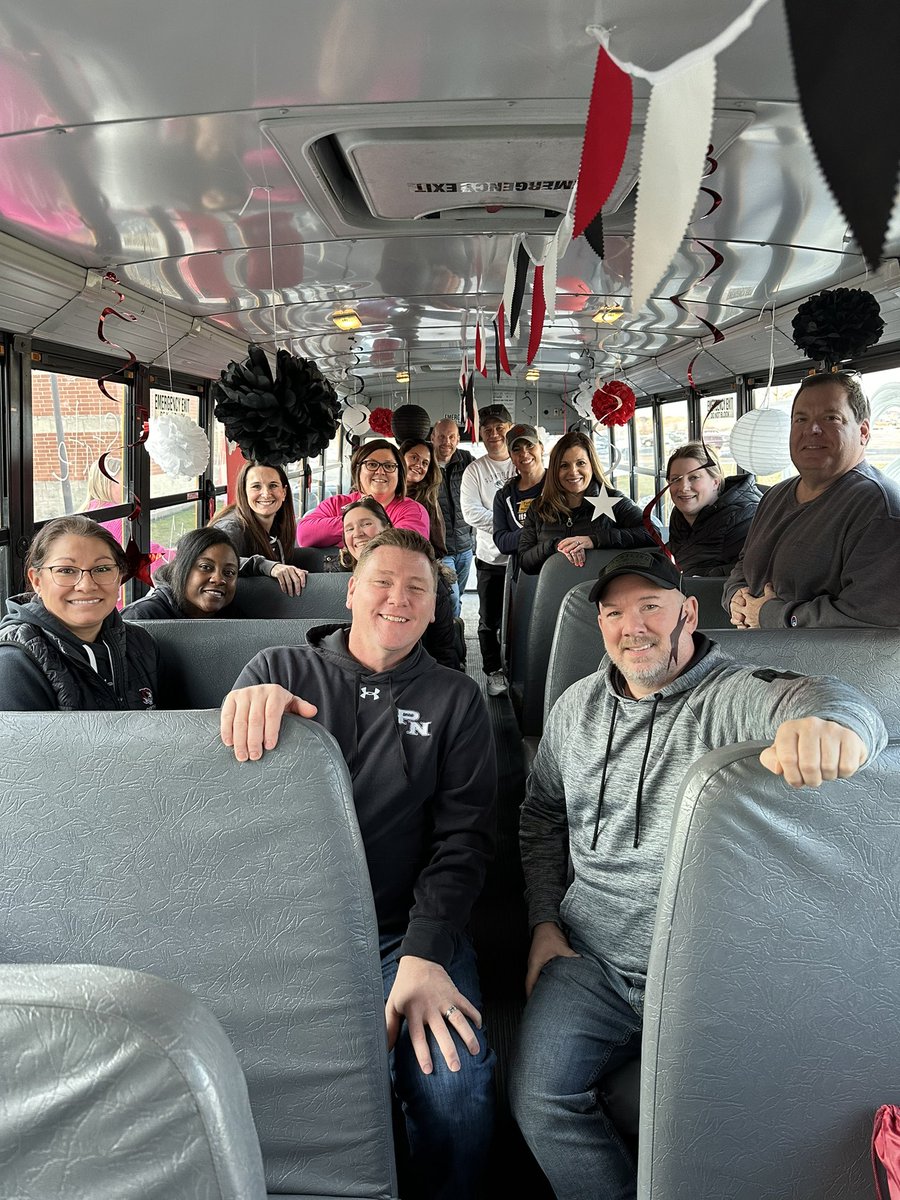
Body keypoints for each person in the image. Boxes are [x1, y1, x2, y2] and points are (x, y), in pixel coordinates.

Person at [509, 548, 887, 1200]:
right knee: (537, 1096)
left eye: (650, 607)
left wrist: (833, 724)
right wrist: (544, 922)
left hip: (705, 972)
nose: (633, 626)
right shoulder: (575, 708)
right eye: (614, 613)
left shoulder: (730, 696)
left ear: (687, 611)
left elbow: (818, 698)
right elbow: (542, 816)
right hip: (589, 958)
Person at [220, 527, 497, 1200]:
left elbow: (463, 840)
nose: (396, 599)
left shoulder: (456, 699)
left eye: (417, 588)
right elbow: (224, 819)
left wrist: (424, 955)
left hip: (406, 928)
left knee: (455, 1087)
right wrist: (239, 709)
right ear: (350, 591)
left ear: (437, 608)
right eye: (381, 582)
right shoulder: (275, 673)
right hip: (283, 935)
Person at [724, 372, 900, 628]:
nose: (812, 429)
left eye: (831, 418)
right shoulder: (774, 495)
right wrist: (736, 598)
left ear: (863, 432)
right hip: (753, 656)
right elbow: (743, 565)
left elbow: (872, 617)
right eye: (801, 419)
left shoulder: (879, 508)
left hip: (817, 667)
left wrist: (772, 616)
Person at [0, 514, 159, 710]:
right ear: (37, 581)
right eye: (66, 570)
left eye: (101, 569)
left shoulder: (140, 643)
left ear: (119, 576)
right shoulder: (13, 664)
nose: (86, 585)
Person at [326, 498, 464, 671]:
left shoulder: (428, 578)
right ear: (352, 590)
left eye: (366, 524)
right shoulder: (332, 575)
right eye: (349, 529)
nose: (358, 533)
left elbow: (442, 649)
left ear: (387, 528)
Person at [518, 430, 654, 575]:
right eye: (564, 465)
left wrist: (594, 540)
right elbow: (525, 562)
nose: (573, 472)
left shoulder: (614, 501)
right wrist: (555, 546)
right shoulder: (538, 508)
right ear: (554, 471)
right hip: (552, 591)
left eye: (581, 463)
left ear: (592, 466)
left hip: (604, 591)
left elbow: (652, 534)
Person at [460, 404, 516, 695]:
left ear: (510, 428)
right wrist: (509, 526)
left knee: (522, 616)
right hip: (490, 558)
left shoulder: (524, 461)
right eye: (488, 428)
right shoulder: (475, 470)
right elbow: (470, 513)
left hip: (526, 558)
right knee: (488, 621)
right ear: (480, 433)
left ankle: (520, 669)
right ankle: (493, 671)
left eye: (500, 427)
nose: (494, 434)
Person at [297, 439, 430, 547]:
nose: (380, 471)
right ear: (357, 470)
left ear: (399, 474)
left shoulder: (413, 511)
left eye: (389, 466)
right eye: (372, 464)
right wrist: (366, 525)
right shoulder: (336, 503)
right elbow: (304, 535)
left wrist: (340, 533)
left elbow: (399, 550)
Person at [209, 461, 307, 595]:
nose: (266, 494)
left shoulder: (278, 527)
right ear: (244, 492)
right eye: (256, 487)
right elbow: (215, 561)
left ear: (283, 492)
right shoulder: (230, 527)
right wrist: (267, 566)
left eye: (273, 485)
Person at [665, 441, 761, 575]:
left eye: (694, 478)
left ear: (715, 482)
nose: (683, 488)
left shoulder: (743, 517)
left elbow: (748, 574)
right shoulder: (679, 514)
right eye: (676, 479)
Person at [121, 527, 239, 620]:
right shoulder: (140, 617)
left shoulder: (236, 617)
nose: (218, 579)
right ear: (181, 568)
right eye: (205, 567)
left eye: (229, 572)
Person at [431, 419, 475, 616]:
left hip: (465, 546)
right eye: (441, 436)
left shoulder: (467, 461)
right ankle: (451, 644)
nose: (446, 442)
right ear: (432, 437)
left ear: (457, 439)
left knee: (460, 595)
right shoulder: (425, 463)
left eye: (451, 437)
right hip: (442, 549)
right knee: (451, 598)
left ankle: (456, 631)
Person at [492, 423, 546, 568]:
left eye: (530, 445)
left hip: (556, 567)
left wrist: (521, 536)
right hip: (522, 573)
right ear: (510, 456)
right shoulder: (503, 496)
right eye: (516, 449)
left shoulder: (559, 485)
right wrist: (542, 531)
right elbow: (502, 542)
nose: (524, 453)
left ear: (541, 448)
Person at [401, 438, 448, 561]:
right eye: (414, 458)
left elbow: (438, 548)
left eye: (425, 463)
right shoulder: (385, 493)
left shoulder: (428, 500)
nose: (418, 465)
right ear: (400, 457)